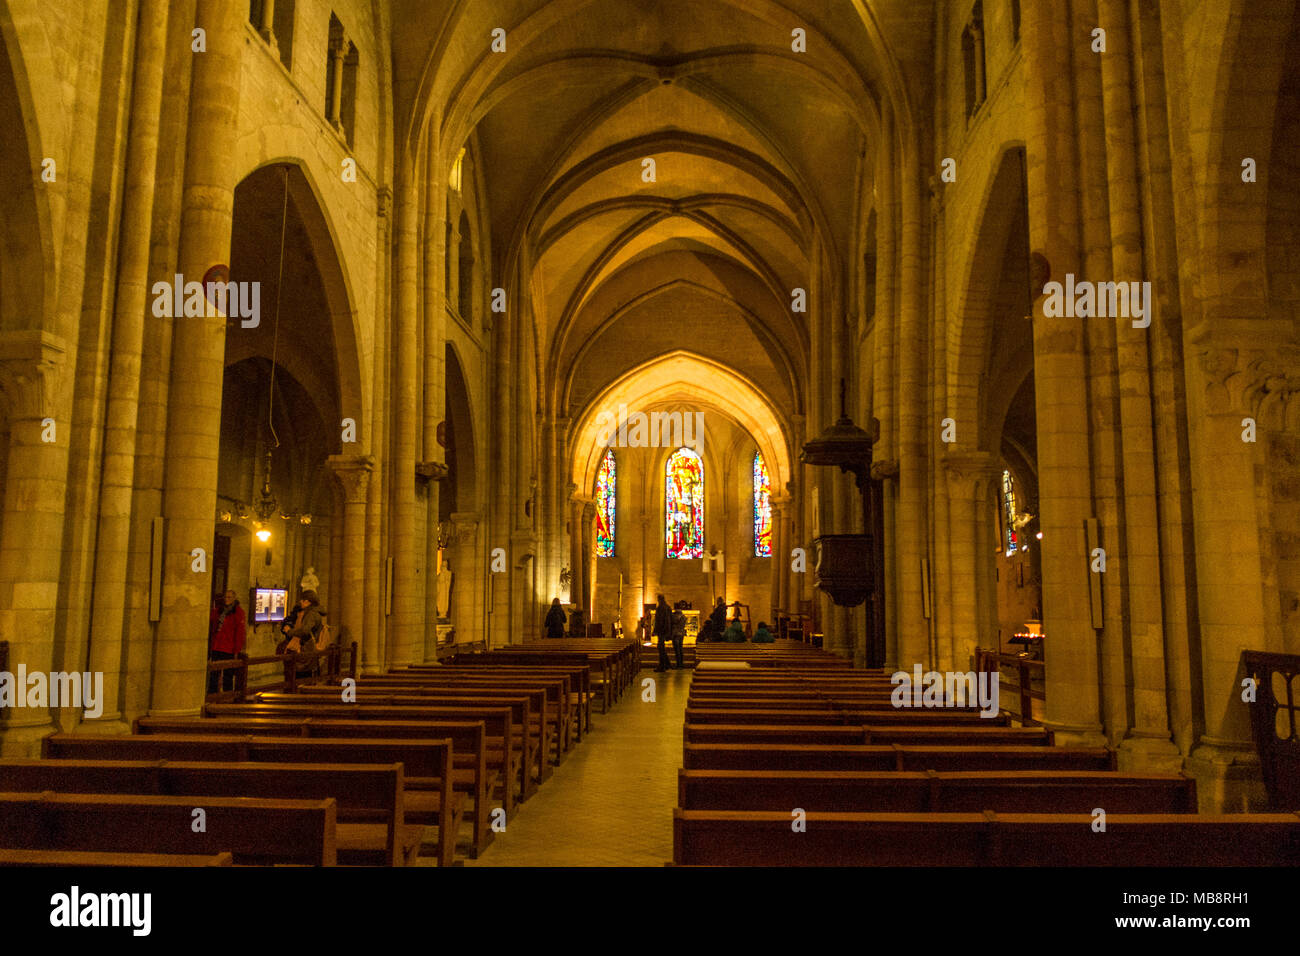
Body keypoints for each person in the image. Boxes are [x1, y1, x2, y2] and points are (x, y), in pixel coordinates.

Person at [208, 589, 246, 693]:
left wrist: (236, 650)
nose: (227, 599)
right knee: (214, 673)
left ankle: (228, 695)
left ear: (234, 598)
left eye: (229, 597)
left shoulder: (238, 612)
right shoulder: (219, 610)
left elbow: (240, 632)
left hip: (228, 648)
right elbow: (212, 621)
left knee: (228, 674)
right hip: (217, 646)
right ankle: (213, 694)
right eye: (225, 597)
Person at [283, 590, 327, 679]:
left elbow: (305, 631)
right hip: (310, 650)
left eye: (302, 600)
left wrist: (289, 631)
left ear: (307, 601)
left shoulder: (311, 614)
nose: (300, 602)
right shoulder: (314, 613)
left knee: (301, 678)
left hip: (306, 650)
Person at [653, 593, 673, 671]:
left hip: (662, 630)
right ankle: (667, 664)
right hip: (666, 630)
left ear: (659, 599)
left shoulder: (661, 608)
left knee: (661, 648)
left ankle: (662, 666)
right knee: (661, 648)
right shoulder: (668, 607)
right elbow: (669, 620)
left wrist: (656, 630)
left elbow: (659, 621)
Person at [670, 605, 687, 669]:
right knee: (680, 649)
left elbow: (673, 624)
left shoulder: (674, 616)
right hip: (681, 634)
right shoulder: (683, 616)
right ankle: (681, 664)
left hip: (676, 634)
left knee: (677, 650)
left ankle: (678, 665)